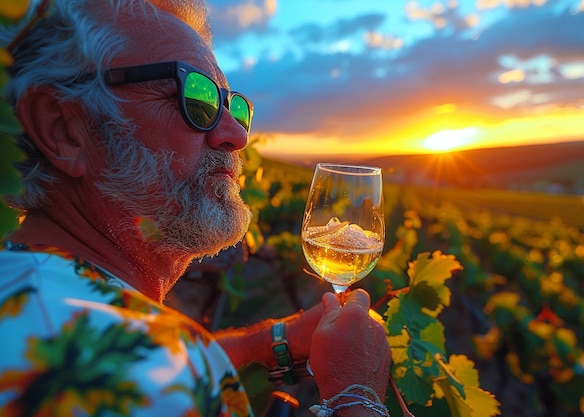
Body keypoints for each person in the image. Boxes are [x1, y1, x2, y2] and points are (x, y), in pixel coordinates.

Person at [0, 1, 391, 416]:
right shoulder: (126, 382)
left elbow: (148, 360)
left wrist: (271, 341)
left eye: (232, 106)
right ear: (62, 130)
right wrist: (357, 395)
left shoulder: (35, 294)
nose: (236, 135)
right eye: (195, 97)